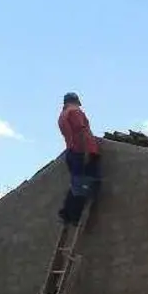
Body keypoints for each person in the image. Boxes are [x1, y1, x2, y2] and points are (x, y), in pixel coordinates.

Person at [57, 92, 101, 225]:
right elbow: (82, 132)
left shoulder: (62, 115)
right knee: (88, 183)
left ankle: (66, 213)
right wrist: (87, 152)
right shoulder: (75, 112)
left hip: (72, 152)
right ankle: (75, 216)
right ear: (75, 101)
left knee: (77, 183)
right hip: (81, 151)